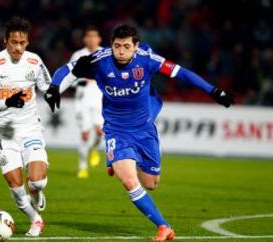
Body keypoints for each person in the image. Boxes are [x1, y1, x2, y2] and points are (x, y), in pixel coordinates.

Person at [45, 25, 234, 241]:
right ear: (111, 45)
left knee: (151, 183)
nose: (121, 51)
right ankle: (163, 226)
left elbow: (183, 74)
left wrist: (213, 91)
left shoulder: (147, 59)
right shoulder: (99, 59)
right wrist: (54, 87)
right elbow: (66, 70)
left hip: (144, 130)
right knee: (128, 180)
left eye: (127, 46)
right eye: (117, 46)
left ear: (136, 46)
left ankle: (117, 160)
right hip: (116, 129)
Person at [0, 17, 51, 237]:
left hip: (29, 128)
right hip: (3, 132)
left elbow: (47, 87)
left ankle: (37, 191)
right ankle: (36, 220)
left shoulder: (34, 61)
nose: (18, 47)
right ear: (5, 41)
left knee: (38, 181)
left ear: (28, 42)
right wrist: (8, 102)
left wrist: (53, 93)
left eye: (22, 42)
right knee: (15, 184)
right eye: (14, 42)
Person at [69, 26, 104, 179]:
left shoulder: (105, 54)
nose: (91, 39)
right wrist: (81, 82)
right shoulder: (78, 55)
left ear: (99, 39)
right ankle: (82, 167)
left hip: (100, 98)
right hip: (82, 99)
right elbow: (69, 79)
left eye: (94, 36)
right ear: (84, 39)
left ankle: (93, 149)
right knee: (84, 134)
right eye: (88, 36)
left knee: (100, 132)